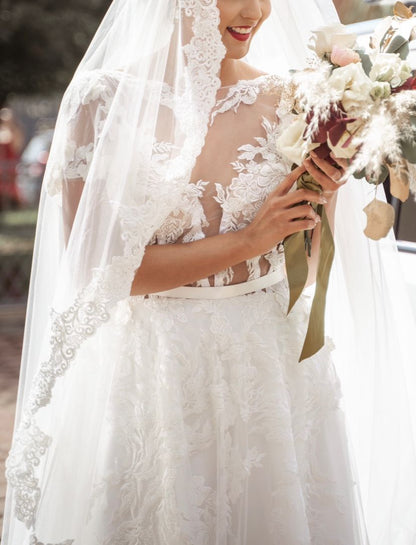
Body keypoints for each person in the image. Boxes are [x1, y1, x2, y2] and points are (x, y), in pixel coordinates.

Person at [2, 1, 416, 544]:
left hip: (272, 372)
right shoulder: (103, 100)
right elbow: (98, 271)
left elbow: (306, 269)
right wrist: (248, 240)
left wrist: (323, 197)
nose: (254, 11)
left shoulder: (296, 99)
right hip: (159, 372)